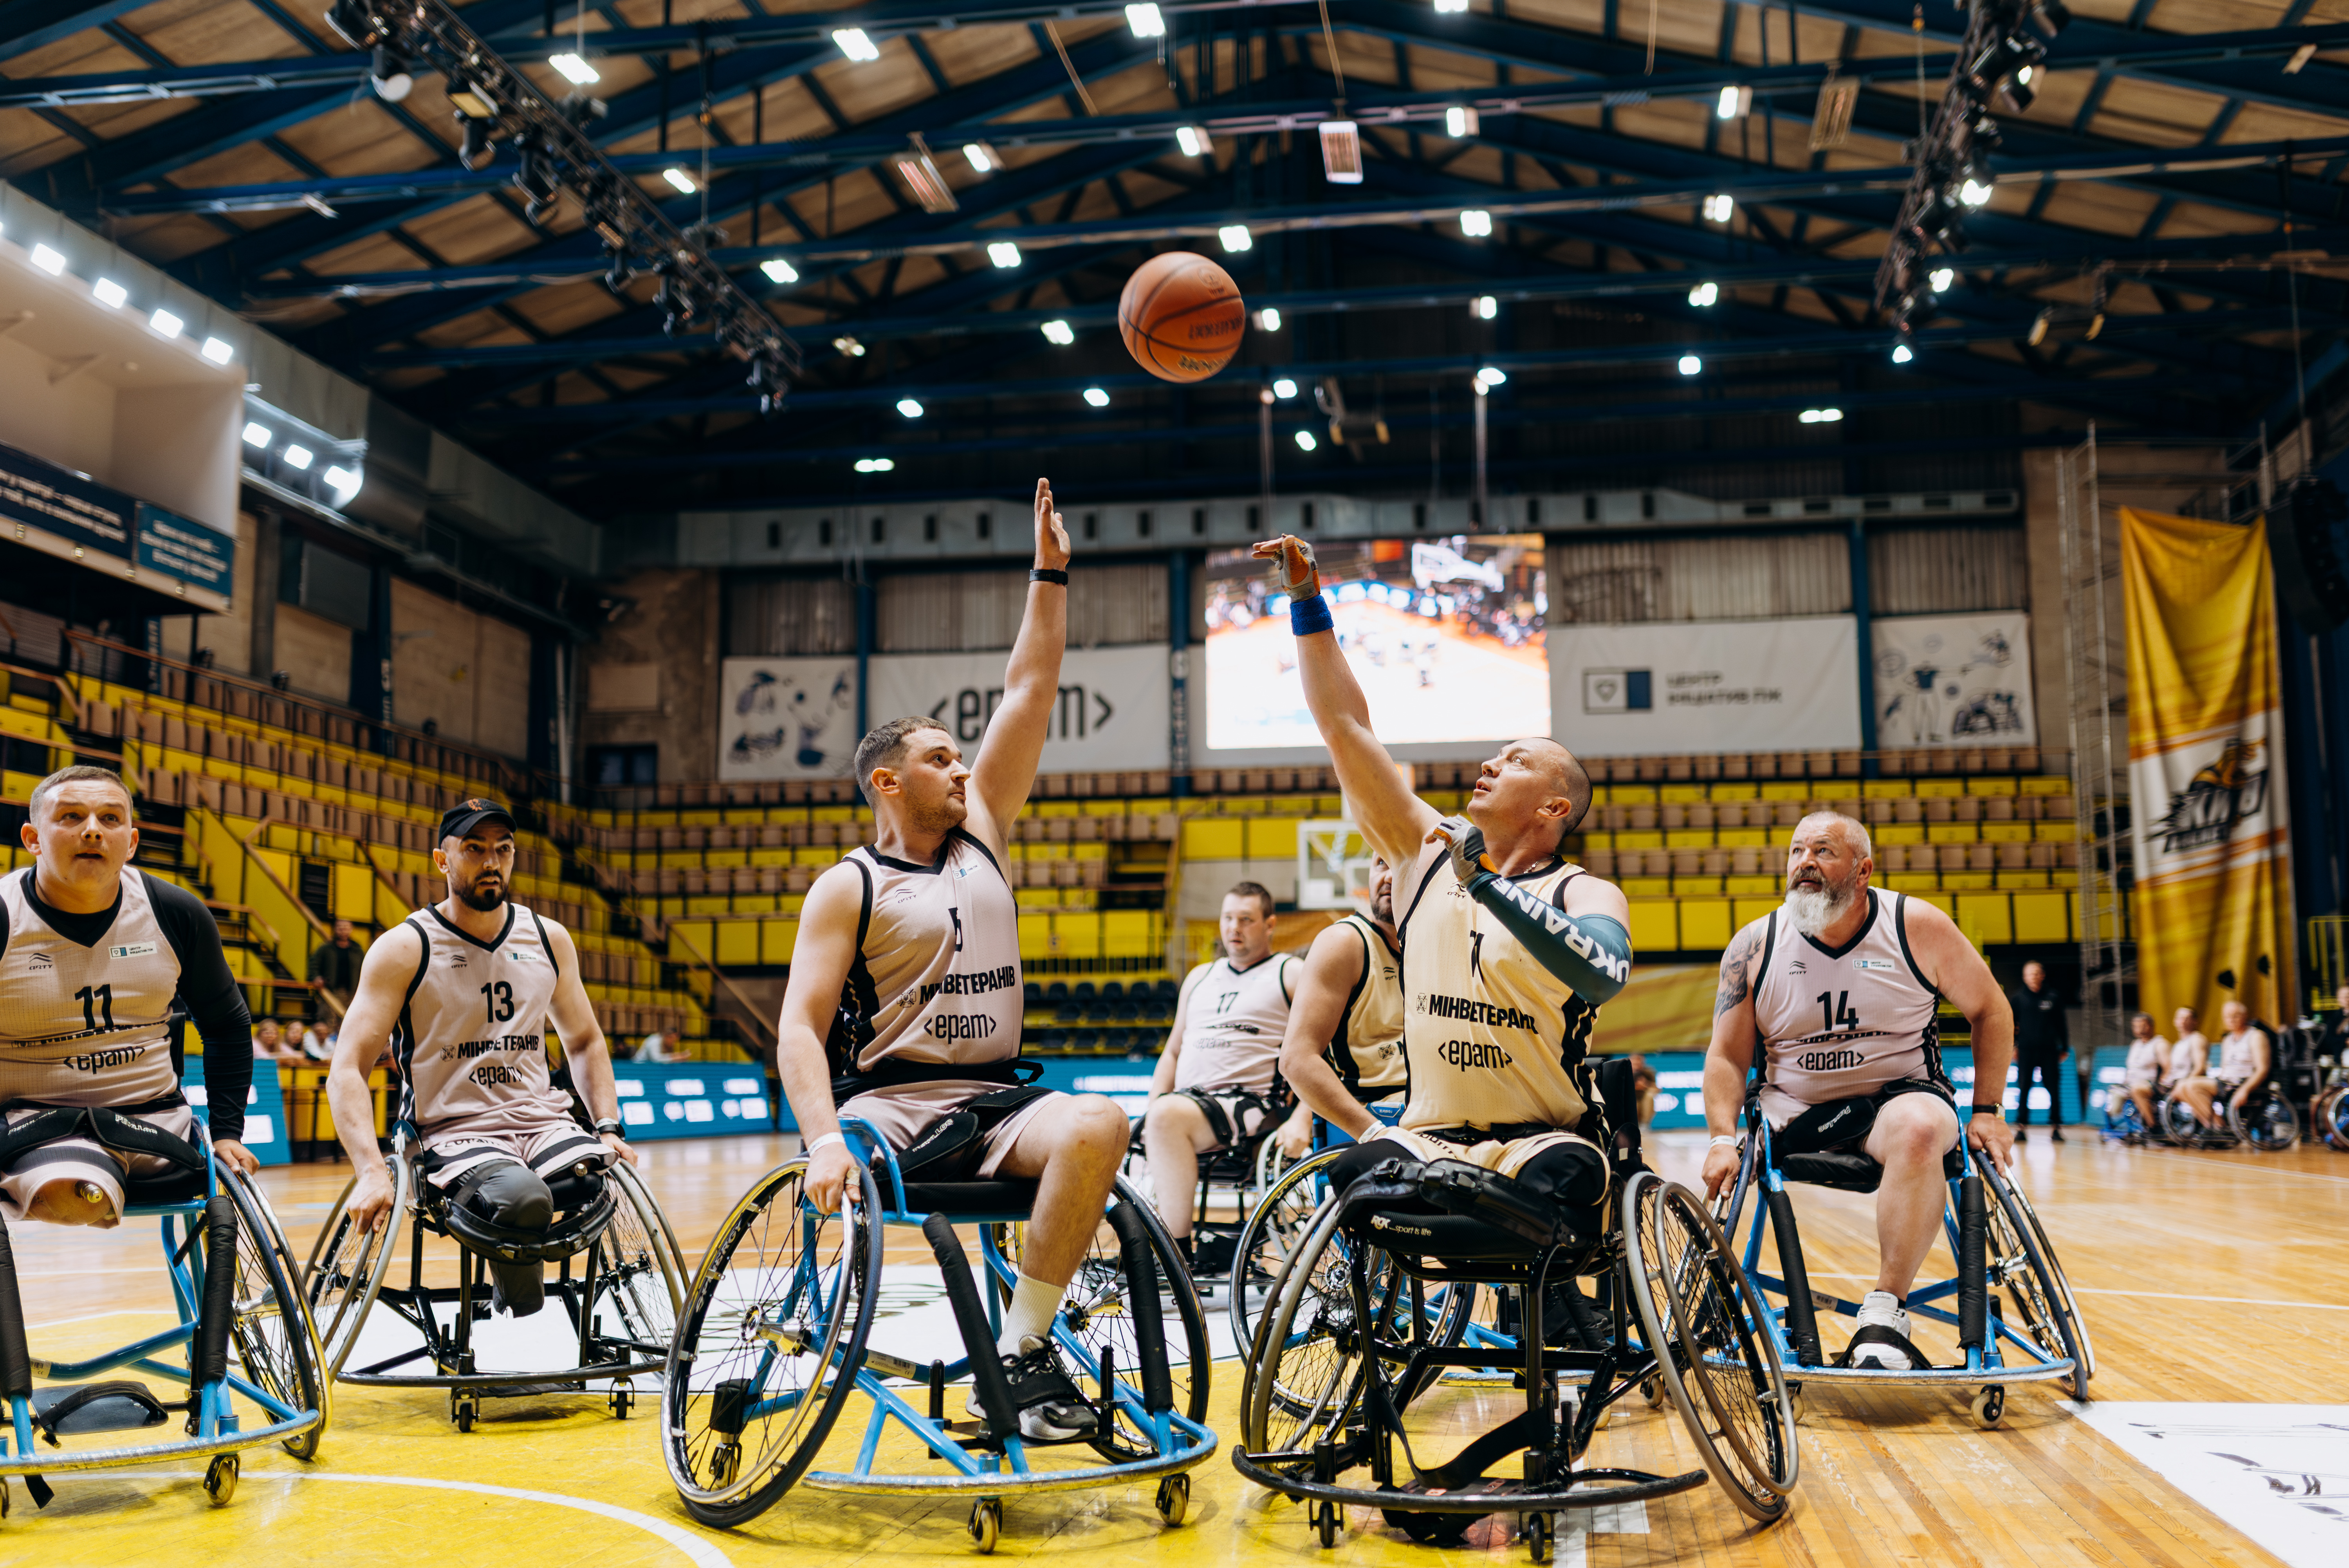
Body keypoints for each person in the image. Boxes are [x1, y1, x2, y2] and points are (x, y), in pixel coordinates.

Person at [773, 478, 1131, 1443]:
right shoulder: (846, 885)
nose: (963, 767)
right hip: (890, 1108)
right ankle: (1008, 1357)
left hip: (994, 1104)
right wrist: (821, 1140)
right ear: (889, 782)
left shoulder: (985, 833)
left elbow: (1031, 686)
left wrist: (1049, 569)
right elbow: (799, 1031)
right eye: (940, 758)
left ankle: (1018, 1351)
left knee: (1102, 1120)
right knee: (890, 1135)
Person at [1252, 534, 1633, 1238]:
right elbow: (1343, 726)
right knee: (1352, 1173)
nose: (1491, 763)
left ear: (1555, 808)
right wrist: (1307, 600)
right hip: (1427, 1136)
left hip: (1538, 1140)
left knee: (1565, 1181)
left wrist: (1485, 885)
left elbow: (1603, 973)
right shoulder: (1422, 849)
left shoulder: (1584, 892)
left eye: (1516, 761)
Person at [1702, 811, 2015, 1371]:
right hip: (1793, 1111)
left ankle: (1885, 1312)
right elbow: (1727, 1056)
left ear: (1864, 869)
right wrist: (1722, 1138)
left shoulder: (1917, 926)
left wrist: (1988, 1110)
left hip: (1895, 1098)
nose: (1805, 864)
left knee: (1920, 1128)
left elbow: (1991, 1011)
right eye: (1797, 852)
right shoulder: (1755, 945)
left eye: (1823, 852)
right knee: (1751, 1150)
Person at [324, 798, 634, 1318]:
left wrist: (608, 1126)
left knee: (595, 1175)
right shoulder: (405, 948)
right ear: (442, 861)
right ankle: (523, 1302)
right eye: (474, 849)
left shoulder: (548, 938)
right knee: (522, 1197)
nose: (491, 861)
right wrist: (371, 1171)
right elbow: (348, 1071)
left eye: (503, 849)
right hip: (450, 1131)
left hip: (542, 1122)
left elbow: (585, 1041)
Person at [0, 767, 258, 1227]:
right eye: (72, 816)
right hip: (34, 1127)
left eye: (111, 819)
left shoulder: (176, 913)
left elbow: (227, 1026)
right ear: (33, 838)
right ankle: (93, 1179)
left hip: (158, 1125)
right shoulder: (6, 916)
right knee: (78, 1188)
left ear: (132, 842)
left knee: (92, 1186)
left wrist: (227, 1133)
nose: (93, 830)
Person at [1144, 882, 1302, 1267]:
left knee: (1166, 1118)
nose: (1234, 928)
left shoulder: (1290, 972)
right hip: (1189, 1106)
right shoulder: (1199, 977)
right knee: (1118, 1124)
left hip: (1254, 1108)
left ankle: (1174, 1261)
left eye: (1246, 920)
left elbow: (1320, 1053)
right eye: (1228, 919)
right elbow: (1172, 1052)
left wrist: (1303, 1119)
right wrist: (1150, 1111)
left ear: (1270, 925)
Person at [1273, 855, 1408, 1162]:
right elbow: (1296, 1061)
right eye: (1380, 864)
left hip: (1435, 1110)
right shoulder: (1345, 942)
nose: (1386, 876)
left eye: (1399, 864)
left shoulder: (1440, 942)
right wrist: (1374, 1133)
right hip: (1376, 1116)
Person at [2176, 999, 2270, 1132]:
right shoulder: (2227, 1039)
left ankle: (2220, 1128)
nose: (2231, 1020)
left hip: (2242, 1083)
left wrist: (2245, 1090)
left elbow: (2263, 1070)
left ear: (2245, 1016)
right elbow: (2225, 1068)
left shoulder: (2256, 1036)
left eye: (2235, 1016)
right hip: (2226, 1083)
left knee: (2191, 1086)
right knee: (2182, 1088)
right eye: (2227, 1017)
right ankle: (2213, 1126)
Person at [2008, 960, 2069, 1143]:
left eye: (2037, 973)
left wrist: (2064, 1047)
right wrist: (2013, 1047)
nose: (2034, 977)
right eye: (2030, 974)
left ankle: (2056, 1128)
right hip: (2026, 1051)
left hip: (2050, 1051)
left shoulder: (2053, 997)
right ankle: (2021, 1128)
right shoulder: (2018, 999)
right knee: (2024, 1088)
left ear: (2042, 975)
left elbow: (2062, 1024)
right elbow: (2011, 1025)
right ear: (2025, 977)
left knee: (2054, 1089)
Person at [2120, 1012, 2180, 1135]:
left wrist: (2162, 1083)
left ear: (2150, 1026)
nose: (2139, 1029)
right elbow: (2131, 1068)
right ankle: (2126, 1127)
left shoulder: (2160, 1044)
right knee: (2114, 1093)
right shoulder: (2135, 1045)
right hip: (2131, 1084)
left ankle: (2153, 1126)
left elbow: (2169, 1067)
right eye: (2135, 1026)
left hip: (2151, 1084)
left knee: (2136, 1090)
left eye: (2142, 1025)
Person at [308, 916, 363, 1010]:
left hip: (353, 992)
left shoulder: (358, 950)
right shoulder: (326, 948)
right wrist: (316, 977)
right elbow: (313, 964)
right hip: (331, 991)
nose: (343, 931)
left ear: (351, 929)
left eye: (346, 928)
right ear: (335, 929)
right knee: (329, 1018)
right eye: (340, 928)